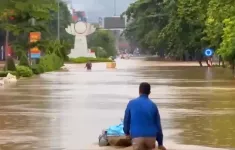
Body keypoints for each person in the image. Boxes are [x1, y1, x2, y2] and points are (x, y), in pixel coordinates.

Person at [123, 82, 166, 150]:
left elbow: (126, 120)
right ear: (149, 92)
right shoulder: (153, 105)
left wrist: (127, 133)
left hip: (137, 137)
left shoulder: (131, 103)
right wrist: (160, 144)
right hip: (151, 137)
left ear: (139, 91)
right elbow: (158, 126)